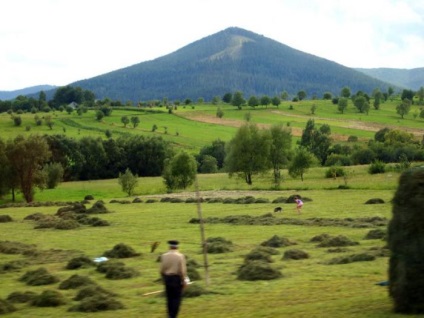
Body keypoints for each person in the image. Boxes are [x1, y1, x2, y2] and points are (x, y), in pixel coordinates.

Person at [160, 240, 187, 318]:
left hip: (167, 278)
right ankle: (173, 315)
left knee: (169, 298)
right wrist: (183, 280)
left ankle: (169, 314)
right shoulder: (180, 256)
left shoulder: (164, 256)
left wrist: (164, 278)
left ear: (169, 246)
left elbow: (162, 270)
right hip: (176, 279)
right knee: (176, 298)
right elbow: (182, 271)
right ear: (177, 247)